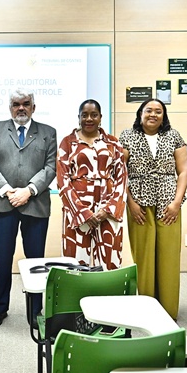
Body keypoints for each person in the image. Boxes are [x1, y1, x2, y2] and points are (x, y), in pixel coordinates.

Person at [0, 89, 57, 327]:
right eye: (16, 104)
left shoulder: (48, 132)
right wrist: (8, 191)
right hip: (2, 204)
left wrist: (29, 190)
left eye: (26, 104)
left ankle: (35, 310)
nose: (21, 108)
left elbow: (51, 167)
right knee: (2, 259)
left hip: (35, 204)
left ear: (34, 107)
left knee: (35, 262)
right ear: (10, 107)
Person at [119, 98, 187, 319]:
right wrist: (130, 202)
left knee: (169, 256)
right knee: (144, 257)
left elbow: (184, 171)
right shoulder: (127, 136)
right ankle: (146, 310)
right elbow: (120, 172)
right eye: (149, 110)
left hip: (169, 202)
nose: (153, 114)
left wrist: (177, 202)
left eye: (158, 111)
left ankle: (168, 310)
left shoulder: (174, 135)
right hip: (139, 202)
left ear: (163, 116)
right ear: (140, 113)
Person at [57, 99, 127, 270]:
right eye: (85, 115)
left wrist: (108, 209)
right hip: (77, 211)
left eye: (94, 115)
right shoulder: (67, 142)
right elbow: (62, 180)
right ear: (79, 117)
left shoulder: (113, 143)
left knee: (109, 261)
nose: (89, 119)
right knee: (75, 264)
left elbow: (122, 179)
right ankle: (76, 289)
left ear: (100, 117)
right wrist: (83, 213)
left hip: (108, 209)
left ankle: (108, 288)